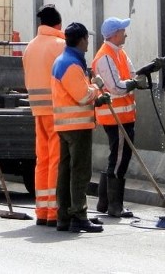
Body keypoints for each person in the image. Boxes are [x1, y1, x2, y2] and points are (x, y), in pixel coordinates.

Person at [52, 22, 110, 233]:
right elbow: (83, 95)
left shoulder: (63, 61)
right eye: (87, 39)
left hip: (65, 126)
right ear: (82, 39)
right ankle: (79, 214)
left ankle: (64, 217)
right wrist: (98, 88)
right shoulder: (71, 64)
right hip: (77, 126)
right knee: (80, 172)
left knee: (66, 171)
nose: (88, 43)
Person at [91, 16, 149, 218]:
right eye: (123, 30)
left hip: (124, 116)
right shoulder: (105, 57)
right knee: (119, 160)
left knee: (117, 157)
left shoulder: (119, 53)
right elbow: (116, 87)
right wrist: (133, 84)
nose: (126, 33)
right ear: (114, 34)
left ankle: (104, 202)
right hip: (116, 118)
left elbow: (132, 75)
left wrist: (142, 75)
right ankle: (115, 206)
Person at [22, 4, 66, 227]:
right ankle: (54, 210)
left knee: (43, 160)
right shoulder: (60, 45)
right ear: (58, 24)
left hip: (37, 110)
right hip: (57, 110)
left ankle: (42, 209)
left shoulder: (30, 46)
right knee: (57, 160)